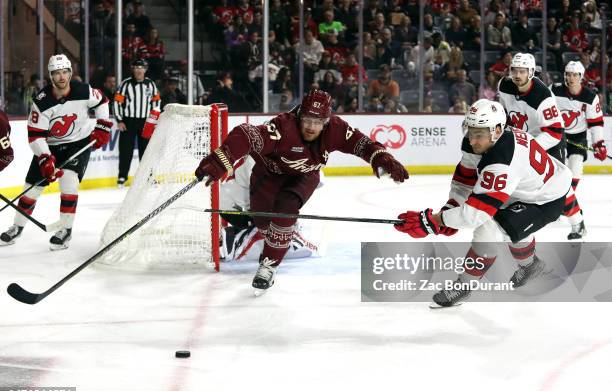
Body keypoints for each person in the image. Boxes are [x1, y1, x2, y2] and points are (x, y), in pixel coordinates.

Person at [194, 89, 408, 291]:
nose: (311, 127)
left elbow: (363, 144)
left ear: (326, 121)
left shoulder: (336, 128)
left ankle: (269, 264)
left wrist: (382, 157)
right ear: (299, 116)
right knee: (265, 224)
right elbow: (246, 134)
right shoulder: (282, 127)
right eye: (307, 120)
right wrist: (219, 160)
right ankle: (280, 233)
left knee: (287, 207)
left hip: (304, 176)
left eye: (318, 122)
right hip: (269, 176)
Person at [394, 99, 572, 308]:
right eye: (470, 131)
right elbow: (464, 181)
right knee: (511, 228)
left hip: (545, 198)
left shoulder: (502, 162)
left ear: (497, 130)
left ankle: (465, 285)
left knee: (488, 230)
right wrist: (450, 208)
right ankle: (531, 265)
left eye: (479, 134)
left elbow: (473, 216)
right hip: (523, 186)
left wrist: (432, 220)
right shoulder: (482, 139)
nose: (472, 140)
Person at [0, 54, 111, 249]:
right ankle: (17, 227)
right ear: (50, 76)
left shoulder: (84, 91)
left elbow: (102, 101)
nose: (61, 77)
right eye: (56, 73)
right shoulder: (42, 101)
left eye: (65, 72)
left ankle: (65, 230)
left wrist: (102, 126)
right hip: (49, 147)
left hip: (78, 143)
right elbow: (35, 135)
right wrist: (44, 158)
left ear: (70, 73)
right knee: (31, 188)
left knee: (69, 183)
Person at [550, 61, 606, 240]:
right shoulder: (554, 90)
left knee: (574, 170)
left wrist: (599, 144)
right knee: (556, 172)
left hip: (578, 138)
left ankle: (564, 205)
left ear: (581, 77)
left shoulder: (590, 96)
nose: (571, 78)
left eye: (575, 75)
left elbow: (596, 123)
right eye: (568, 74)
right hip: (557, 136)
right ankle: (561, 203)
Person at [498, 53, 565, 162]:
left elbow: (554, 133)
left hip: (549, 142)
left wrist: (528, 148)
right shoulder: (504, 85)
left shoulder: (543, 96)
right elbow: (504, 114)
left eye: (522, 71)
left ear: (531, 72)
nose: (517, 75)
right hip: (523, 140)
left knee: (557, 178)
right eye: (514, 70)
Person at [113, 59, 161, 188]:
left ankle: (149, 177)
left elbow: (156, 102)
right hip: (128, 122)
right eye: (136, 67)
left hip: (145, 122)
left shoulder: (150, 84)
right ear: (133, 70)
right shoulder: (125, 84)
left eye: (142, 68)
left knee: (147, 151)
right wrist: (120, 120)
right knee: (125, 151)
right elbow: (117, 102)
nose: (139, 70)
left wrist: (153, 120)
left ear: (145, 70)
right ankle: (122, 177)